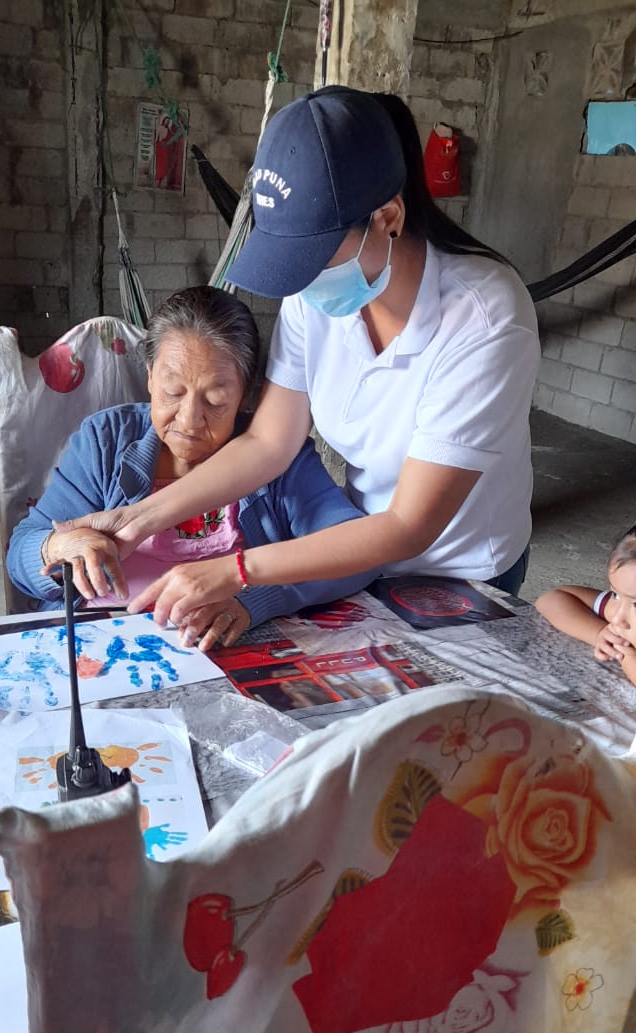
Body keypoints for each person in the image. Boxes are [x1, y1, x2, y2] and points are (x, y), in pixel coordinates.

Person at [57, 86, 540, 629]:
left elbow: (409, 525)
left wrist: (236, 571)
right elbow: (269, 443)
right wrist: (138, 518)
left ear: (388, 216)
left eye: (315, 257)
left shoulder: (485, 317)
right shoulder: (314, 297)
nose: (303, 282)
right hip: (353, 555)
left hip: (460, 573)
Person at [6, 285, 375, 651]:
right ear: (150, 376)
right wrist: (59, 546)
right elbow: (22, 553)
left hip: (223, 650)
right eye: (172, 392)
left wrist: (254, 599)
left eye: (215, 400)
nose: (189, 420)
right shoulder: (106, 441)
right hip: (102, 648)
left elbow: (360, 553)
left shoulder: (280, 455)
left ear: (246, 393)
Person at [535, 525, 636, 685]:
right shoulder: (615, 609)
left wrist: (628, 658)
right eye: (616, 594)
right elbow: (551, 599)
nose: (617, 619)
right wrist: (599, 633)